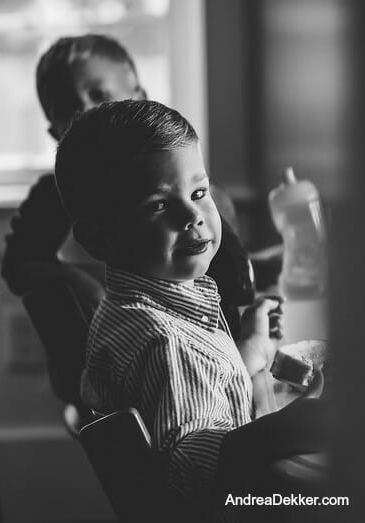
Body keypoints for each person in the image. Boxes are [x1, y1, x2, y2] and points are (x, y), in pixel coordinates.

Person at [55, 100, 328, 520]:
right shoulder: (162, 342)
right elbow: (194, 468)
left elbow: (204, 387)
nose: (193, 216)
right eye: (158, 206)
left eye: (199, 193)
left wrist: (252, 347)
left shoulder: (143, 307)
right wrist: (297, 426)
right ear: (99, 239)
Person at [0, 34, 249, 331]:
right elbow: (18, 265)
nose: (84, 110)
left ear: (140, 99)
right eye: (66, 106)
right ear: (55, 133)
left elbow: (234, 285)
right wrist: (73, 280)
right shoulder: (54, 196)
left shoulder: (199, 200)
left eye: (98, 95)